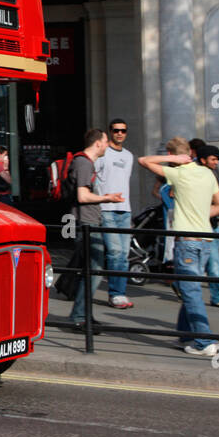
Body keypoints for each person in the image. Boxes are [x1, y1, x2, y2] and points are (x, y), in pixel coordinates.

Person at [139, 143, 219, 356]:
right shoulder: (208, 175)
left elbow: (143, 160)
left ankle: (203, 341)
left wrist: (175, 162)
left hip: (187, 242)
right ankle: (185, 335)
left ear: (175, 156)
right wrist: (199, 212)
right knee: (190, 289)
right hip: (205, 240)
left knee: (191, 292)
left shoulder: (178, 173)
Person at [68, 128, 124, 332]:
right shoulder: (83, 163)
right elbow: (83, 196)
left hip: (88, 221)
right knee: (93, 270)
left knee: (91, 271)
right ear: (98, 143)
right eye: (106, 141)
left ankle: (83, 314)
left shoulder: (85, 163)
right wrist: (107, 198)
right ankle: (79, 315)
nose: (108, 145)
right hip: (86, 223)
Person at [95, 119, 135, 309]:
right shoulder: (103, 154)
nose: (120, 133)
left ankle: (121, 292)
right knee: (115, 252)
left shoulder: (129, 156)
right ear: (110, 132)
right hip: (107, 209)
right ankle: (116, 294)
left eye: (123, 131)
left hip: (125, 210)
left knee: (124, 255)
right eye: (116, 130)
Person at [195, 145, 219, 308]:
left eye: (217, 159)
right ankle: (183, 284)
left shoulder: (214, 173)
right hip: (196, 224)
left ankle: (218, 297)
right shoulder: (194, 173)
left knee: (214, 262)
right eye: (213, 159)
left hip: (212, 223)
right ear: (203, 160)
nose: (216, 162)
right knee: (198, 262)